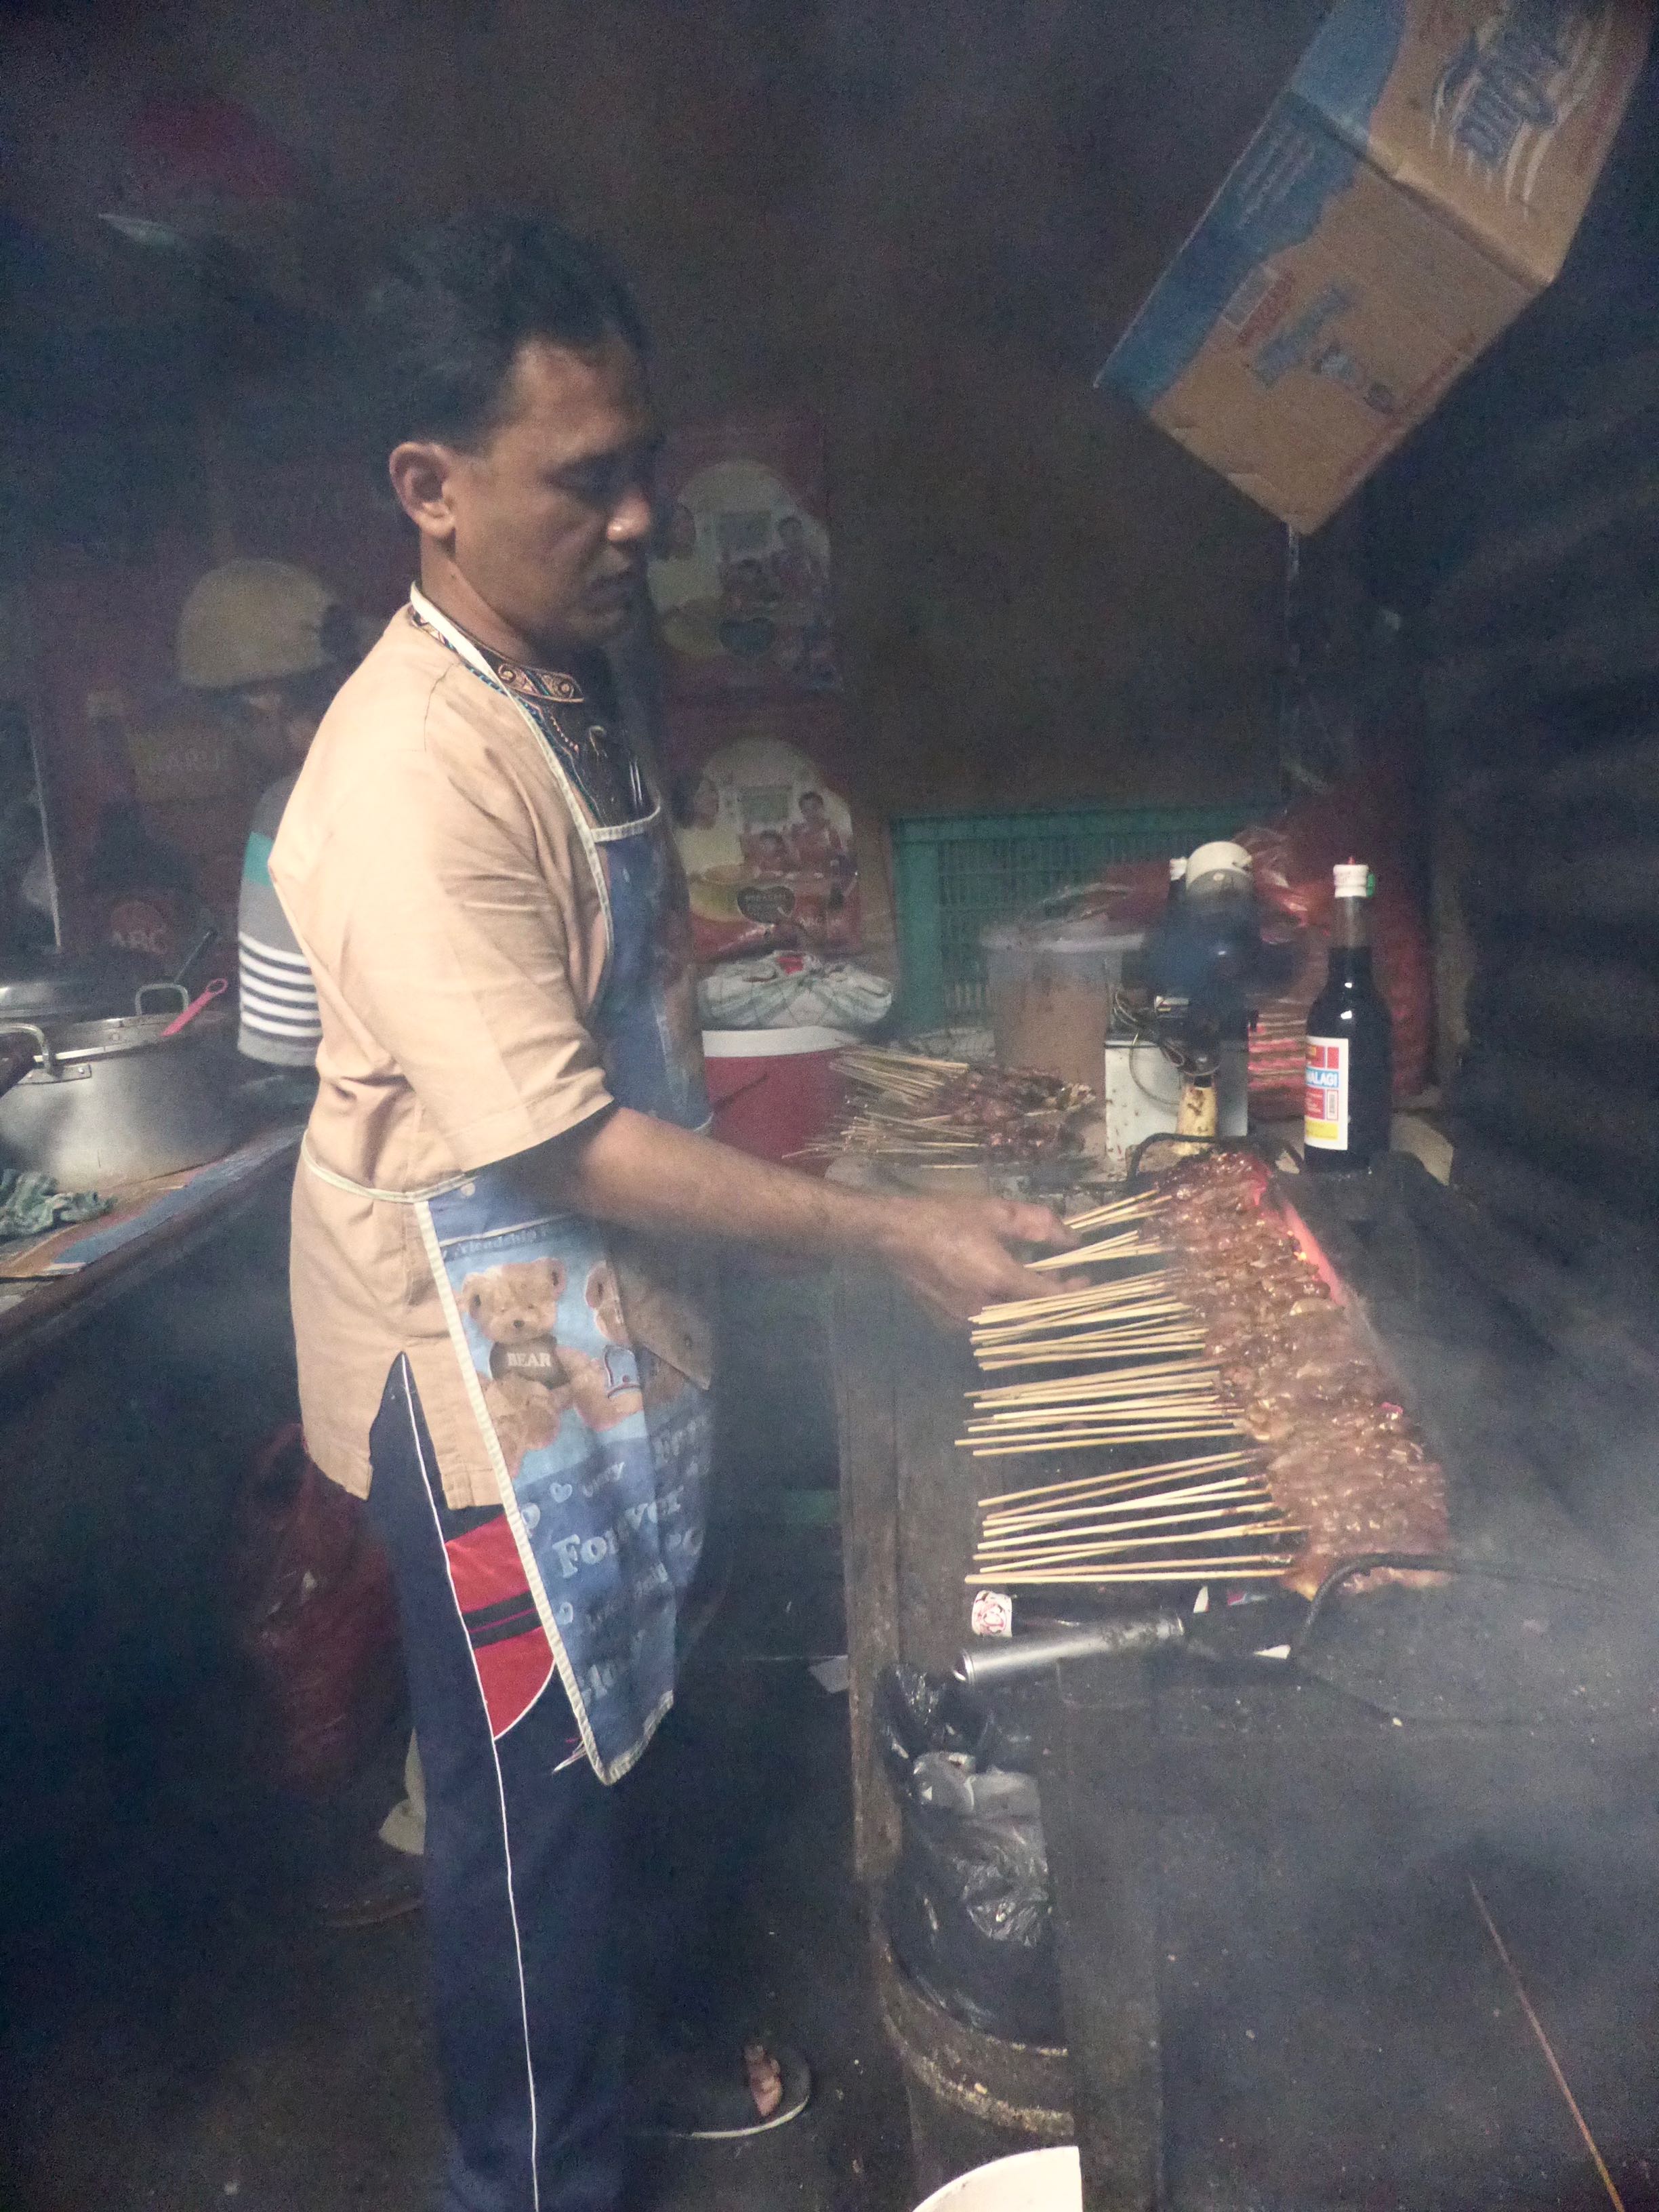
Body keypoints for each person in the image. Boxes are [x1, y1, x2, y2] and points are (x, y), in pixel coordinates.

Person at [269, 209, 1076, 2212]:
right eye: (586, 483)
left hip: (612, 1332)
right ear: (429, 493)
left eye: (644, 467)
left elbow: (592, 961)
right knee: (524, 1828)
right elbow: (562, 1138)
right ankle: (527, 2177)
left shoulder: (560, 671)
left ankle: (642, 2062)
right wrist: (887, 1228)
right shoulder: (404, 771)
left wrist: (715, 945)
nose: (639, 521)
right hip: (481, 1378)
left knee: (640, 1743)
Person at [177, 557, 427, 1925]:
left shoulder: (294, 810)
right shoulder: (451, 749)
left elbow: (278, 1042)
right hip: (528, 1240)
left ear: (272, 704)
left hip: (393, 1226)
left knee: (415, 1531)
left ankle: (439, 1830)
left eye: (233, 717)